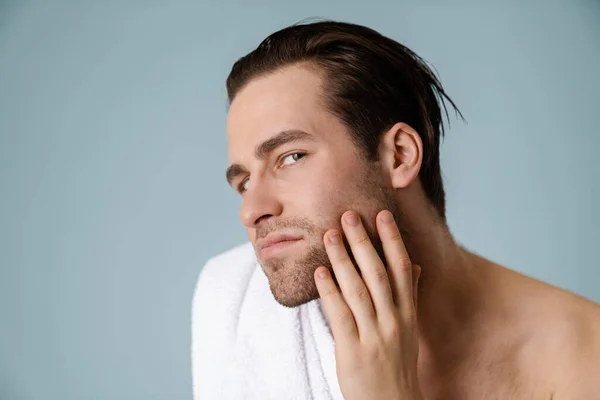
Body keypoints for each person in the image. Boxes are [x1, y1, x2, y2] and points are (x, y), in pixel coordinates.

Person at [191, 20, 600, 399]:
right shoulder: (234, 311)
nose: (251, 211)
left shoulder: (583, 361)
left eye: (292, 156)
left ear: (399, 156)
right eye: (243, 181)